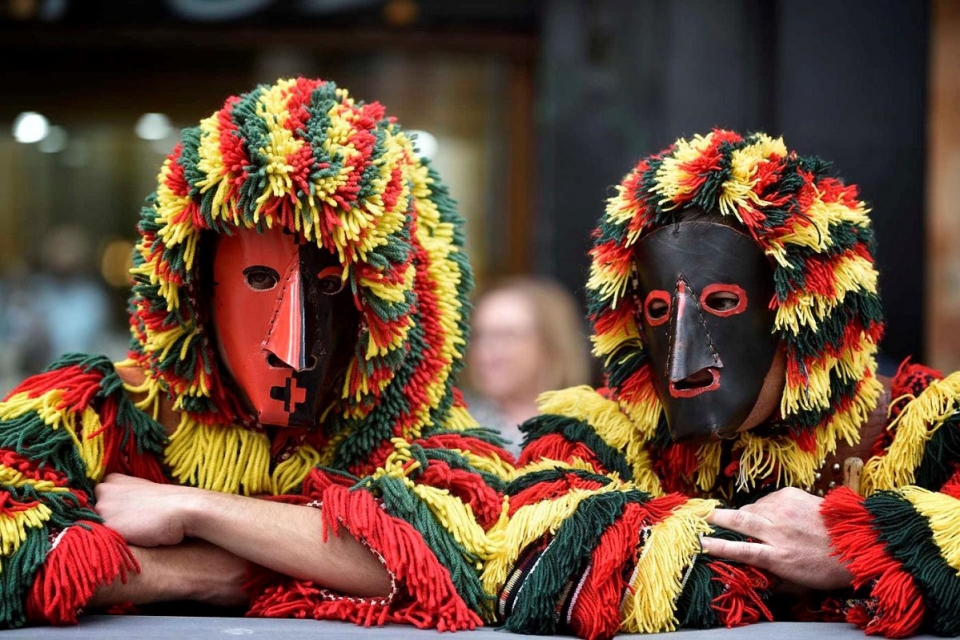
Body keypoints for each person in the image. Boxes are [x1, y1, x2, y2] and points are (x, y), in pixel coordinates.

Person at [0, 77, 514, 631]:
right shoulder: (100, 413)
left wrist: (196, 512)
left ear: (387, 307)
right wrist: (222, 569)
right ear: (194, 290)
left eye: (333, 289)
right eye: (260, 279)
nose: (290, 348)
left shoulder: (418, 430)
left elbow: (451, 563)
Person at [485, 129, 960, 639]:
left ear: (807, 314)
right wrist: (780, 556)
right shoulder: (600, 430)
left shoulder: (930, 426)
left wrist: (856, 547)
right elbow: (536, 565)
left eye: (722, 304)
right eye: (659, 312)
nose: (685, 365)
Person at [466, 276, 592, 456]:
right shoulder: (456, 427)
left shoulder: (589, 430)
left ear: (550, 344)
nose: (486, 350)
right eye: (480, 336)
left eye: (506, 335)